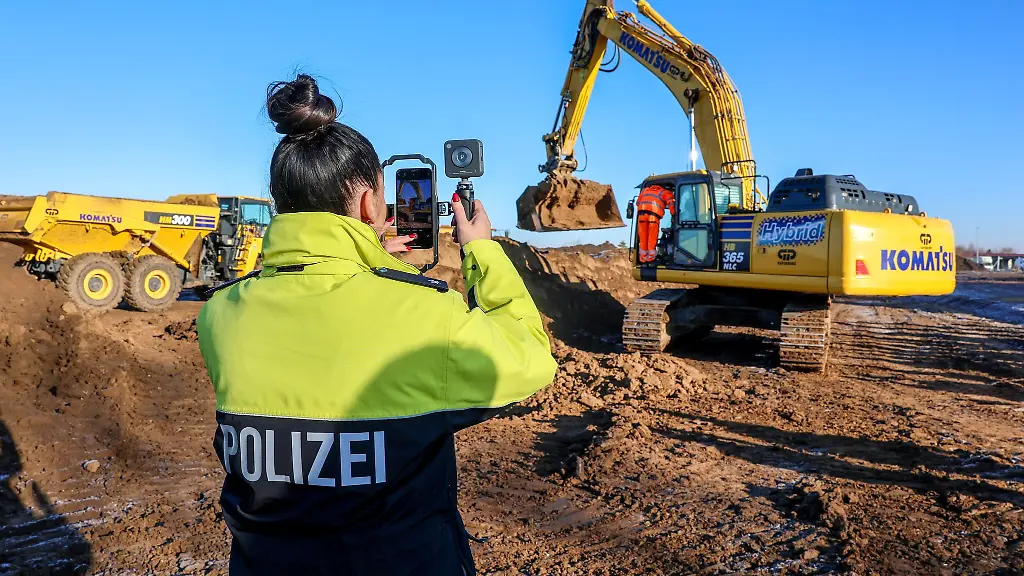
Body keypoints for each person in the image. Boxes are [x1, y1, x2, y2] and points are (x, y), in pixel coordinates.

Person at [196, 74, 558, 576]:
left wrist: (369, 266)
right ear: (370, 203)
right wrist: (481, 249)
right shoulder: (425, 313)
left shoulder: (220, 314)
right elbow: (530, 359)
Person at [636, 184, 675, 263]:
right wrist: (674, 214)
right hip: (653, 216)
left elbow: (637, 203)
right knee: (652, 236)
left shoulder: (644, 191)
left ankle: (643, 257)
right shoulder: (665, 192)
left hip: (641, 215)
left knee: (643, 236)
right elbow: (671, 204)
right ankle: (651, 257)